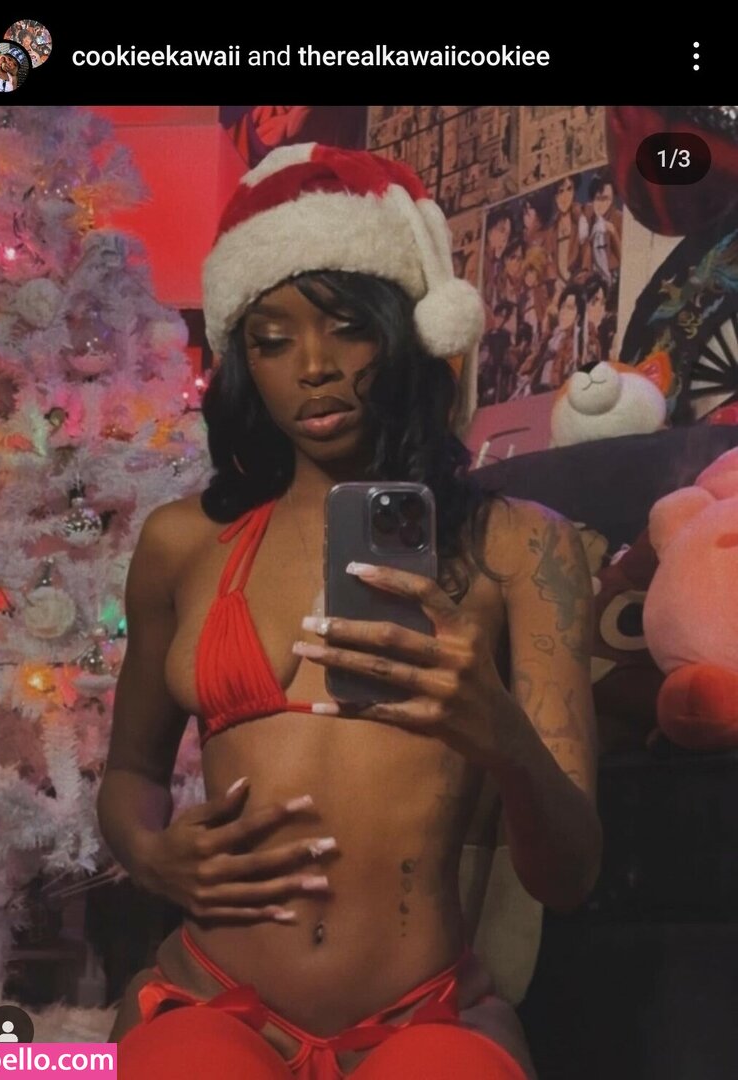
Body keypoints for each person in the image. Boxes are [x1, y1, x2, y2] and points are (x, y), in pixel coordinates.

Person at [98, 144, 601, 1080]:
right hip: (214, 997)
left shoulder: (520, 547)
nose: (314, 368)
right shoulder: (182, 543)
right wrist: (151, 854)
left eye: (347, 328)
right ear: (243, 361)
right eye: (271, 340)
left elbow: (568, 878)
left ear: (408, 333)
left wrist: (503, 739)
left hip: (421, 1014)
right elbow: (130, 772)